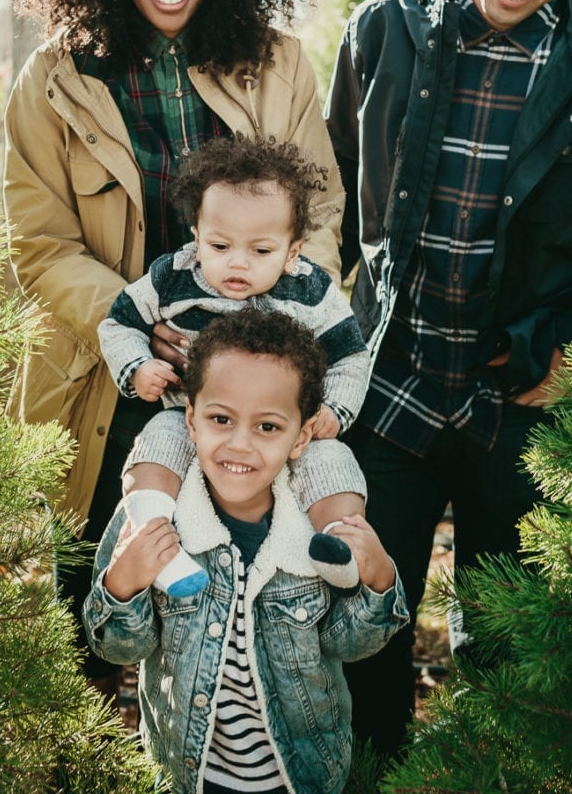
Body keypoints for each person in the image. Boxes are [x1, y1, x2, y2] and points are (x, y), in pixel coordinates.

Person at [2, 0, 345, 701]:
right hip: (110, 384)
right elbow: (40, 248)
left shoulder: (280, 65)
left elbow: (322, 216)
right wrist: (137, 324)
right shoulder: (52, 80)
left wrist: (270, 340)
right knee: (97, 619)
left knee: (240, 623)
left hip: (254, 393)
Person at [324, 0, 572, 760]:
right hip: (390, 395)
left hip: (521, 407)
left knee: (502, 666)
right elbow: (332, 208)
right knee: (364, 634)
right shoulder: (382, 29)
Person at [83, 308, 409, 794]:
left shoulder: (314, 531)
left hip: (301, 774)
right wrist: (121, 584)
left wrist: (380, 580)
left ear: (301, 437)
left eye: (268, 427)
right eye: (221, 419)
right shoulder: (155, 518)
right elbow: (117, 648)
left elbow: (349, 645)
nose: (240, 445)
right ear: (191, 421)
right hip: (186, 774)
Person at [97, 135, 369, 599]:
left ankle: (339, 552)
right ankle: (154, 539)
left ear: (293, 250)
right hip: (196, 420)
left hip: (282, 428)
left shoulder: (310, 291)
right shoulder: (174, 276)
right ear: (197, 237)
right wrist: (138, 367)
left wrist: (336, 411)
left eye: (261, 251)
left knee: (332, 459)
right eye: (220, 246)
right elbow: (117, 323)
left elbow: (350, 356)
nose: (237, 263)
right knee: (158, 441)